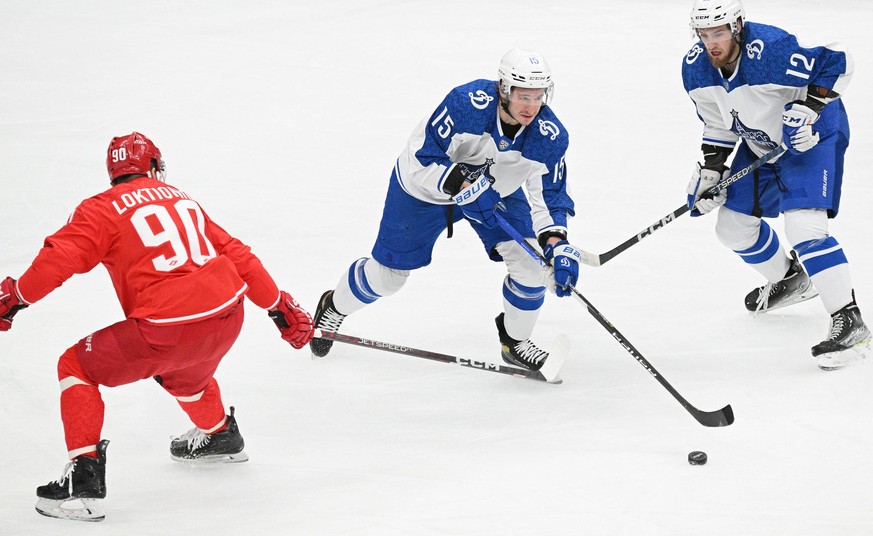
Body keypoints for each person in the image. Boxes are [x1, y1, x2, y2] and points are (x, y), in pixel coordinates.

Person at [0, 132, 315, 521]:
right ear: (152, 166)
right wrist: (278, 307)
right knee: (186, 378)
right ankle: (220, 435)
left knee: (76, 366)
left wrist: (15, 297)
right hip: (227, 317)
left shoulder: (100, 208)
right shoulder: (181, 198)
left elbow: (59, 259)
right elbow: (238, 254)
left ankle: (81, 489)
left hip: (165, 330)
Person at [309, 49, 580, 371]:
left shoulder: (549, 136)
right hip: (425, 192)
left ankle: (515, 341)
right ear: (504, 89)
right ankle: (334, 307)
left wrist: (556, 243)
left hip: (495, 194)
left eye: (538, 97)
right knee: (388, 278)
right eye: (523, 97)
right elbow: (421, 157)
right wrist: (464, 186)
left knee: (533, 265)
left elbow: (550, 193)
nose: (531, 107)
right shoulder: (467, 104)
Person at [683, 0, 871, 370]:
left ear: (736, 27)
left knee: (804, 227)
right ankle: (792, 279)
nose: (711, 44)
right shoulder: (695, 68)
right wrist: (712, 171)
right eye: (704, 35)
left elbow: (839, 59)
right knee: (732, 228)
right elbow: (719, 124)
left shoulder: (770, 49)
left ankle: (850, 322)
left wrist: (810, 110)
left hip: (809, 140)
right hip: (760, 144)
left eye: (718, 33)